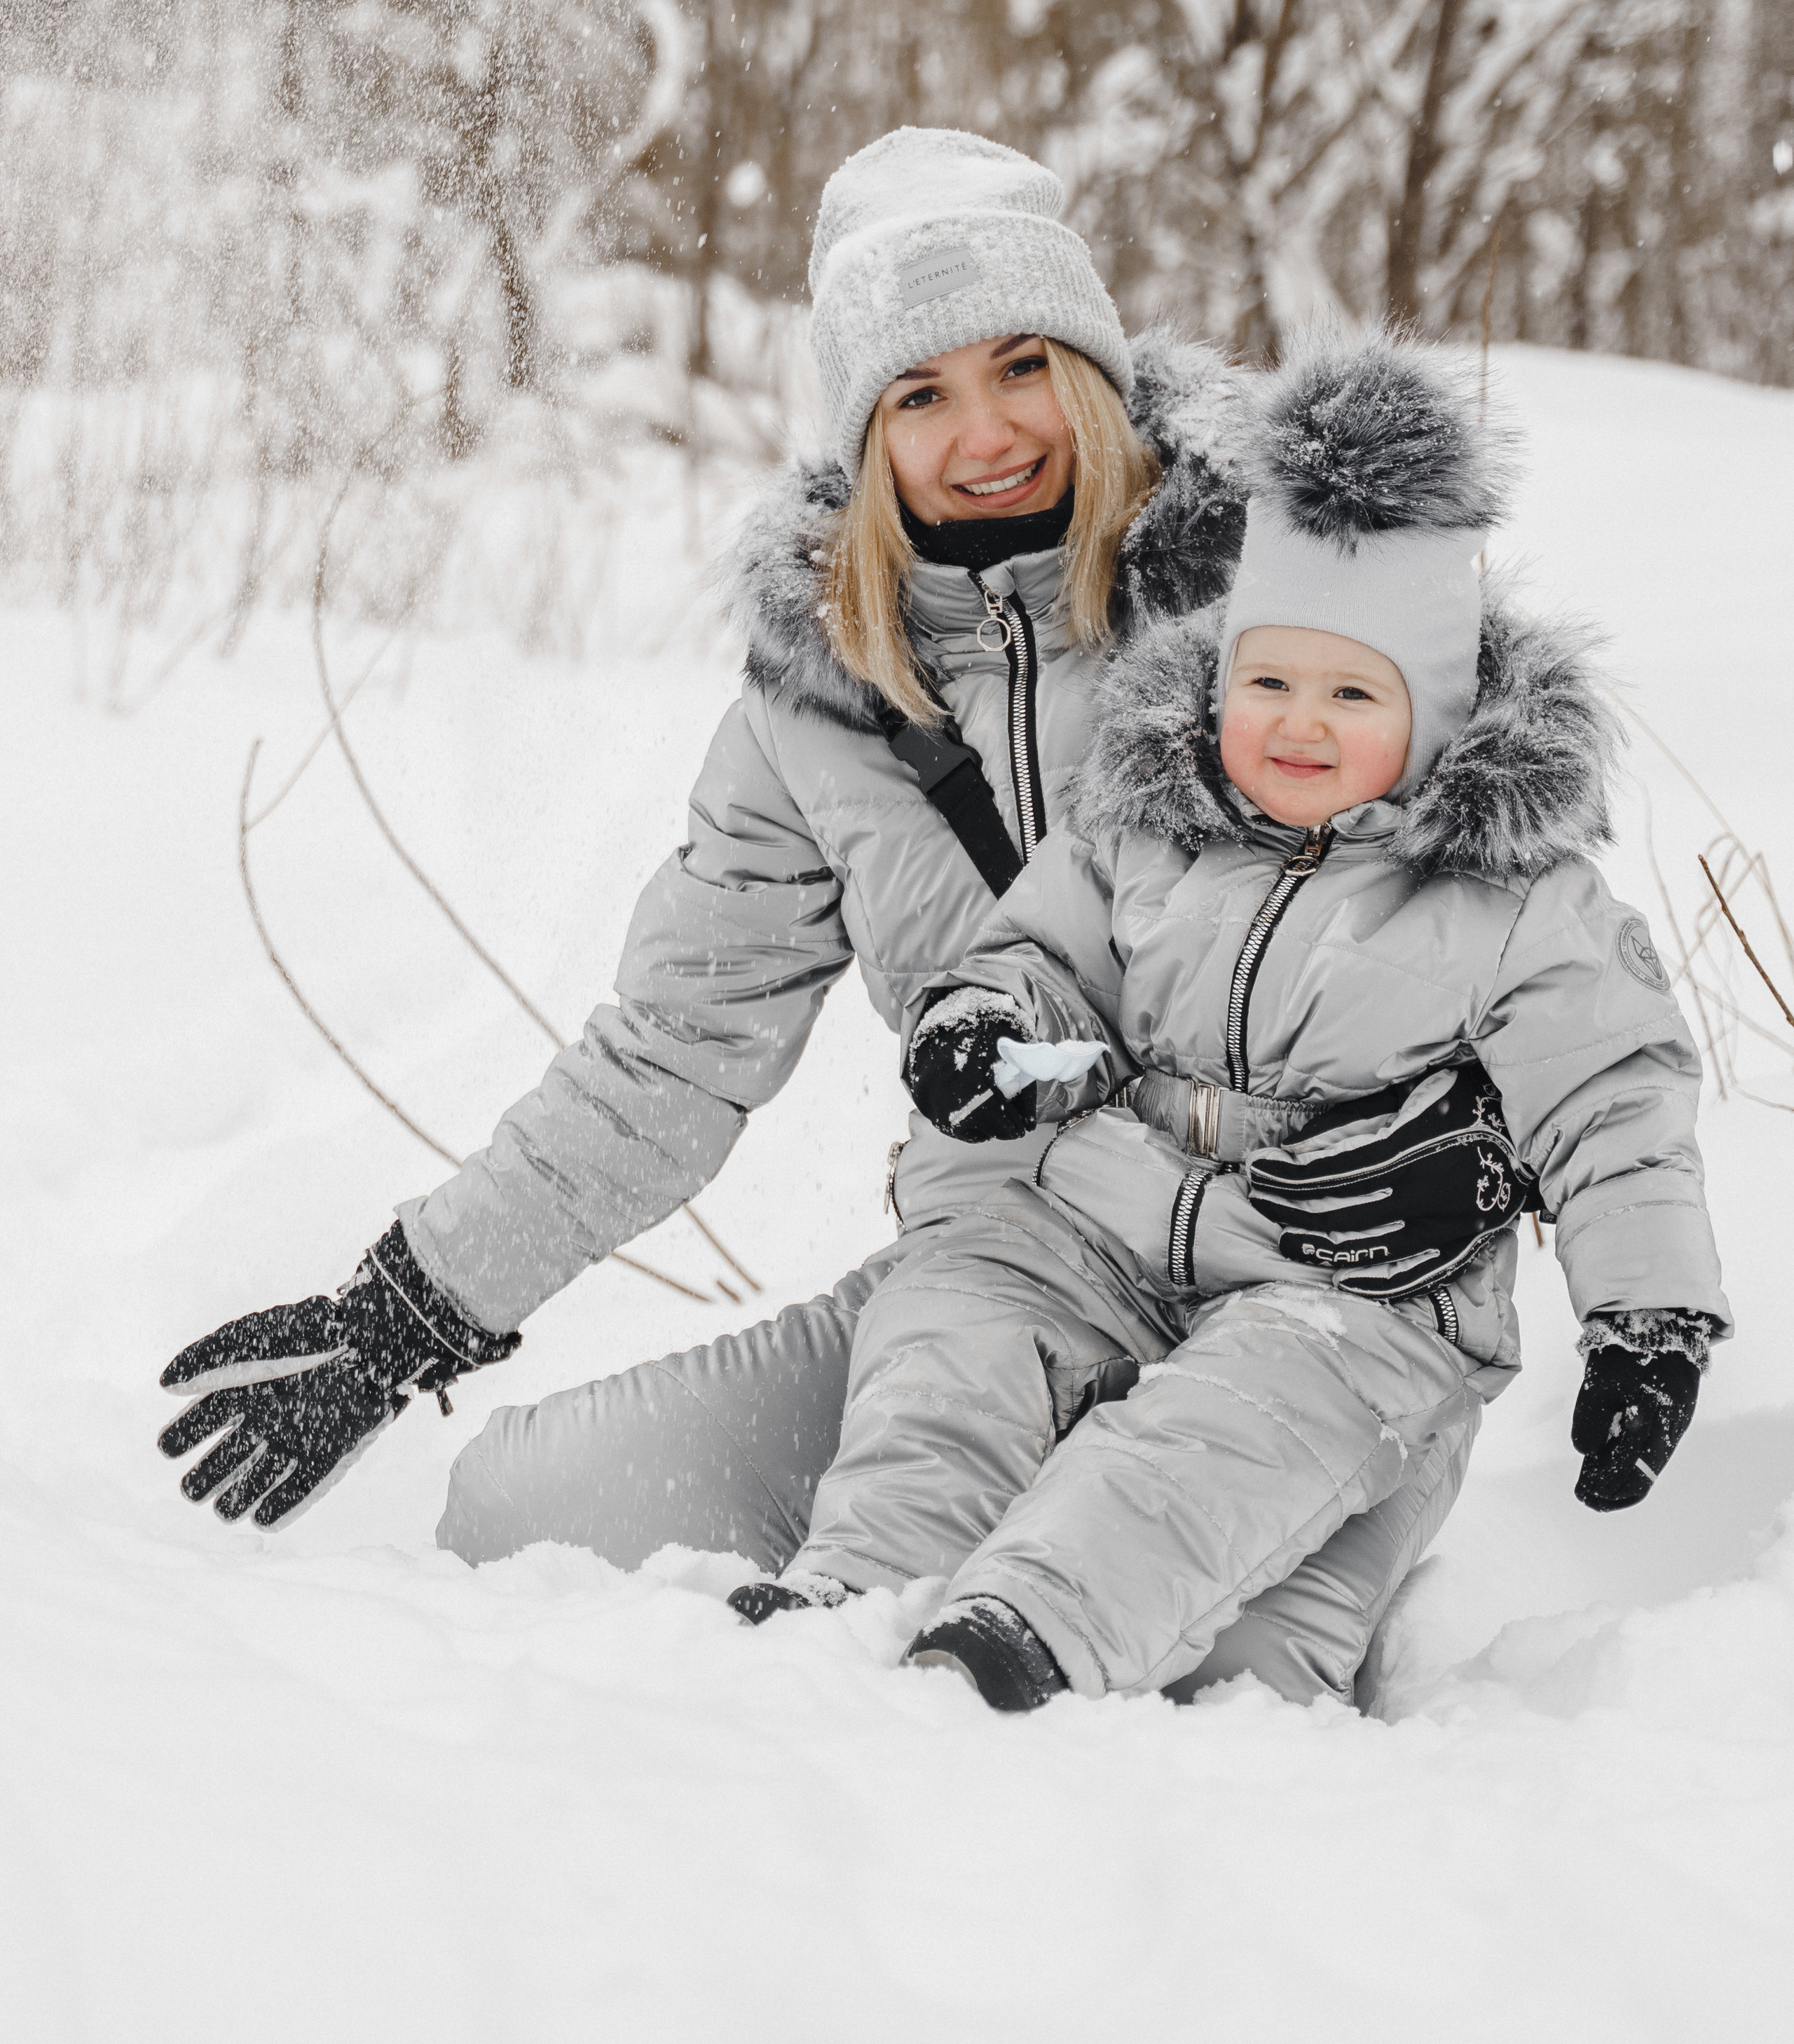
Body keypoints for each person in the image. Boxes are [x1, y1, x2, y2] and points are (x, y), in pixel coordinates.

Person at [157, 135, 1512, 1706]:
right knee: (528, 1511)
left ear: (1088, 366)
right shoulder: (823, 698)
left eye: (1020, 365)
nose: (983, 431)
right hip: (1008, 1285)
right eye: (917, 394)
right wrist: (412, 1306)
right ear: (861, 430)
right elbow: (674, 1052)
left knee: (1202, 1693)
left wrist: (1487, 1142)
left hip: (1318, 1292)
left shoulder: (1288, 598)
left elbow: (1524, 936)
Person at [729, 331, 1730, 1711]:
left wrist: (1644, 1320)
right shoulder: (1149, 826)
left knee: (1216, 1437)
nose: (1296, 726)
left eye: (1350, 695)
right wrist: (976, 1026)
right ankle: (855, 1588)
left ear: (1433, 717)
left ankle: (1024, 1633)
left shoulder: (1514, 898)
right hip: (1112, 1235)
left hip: (1349, 1295)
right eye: (1266, 683)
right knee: (953, 1332)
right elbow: (1042, 956)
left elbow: (1614, 1101)